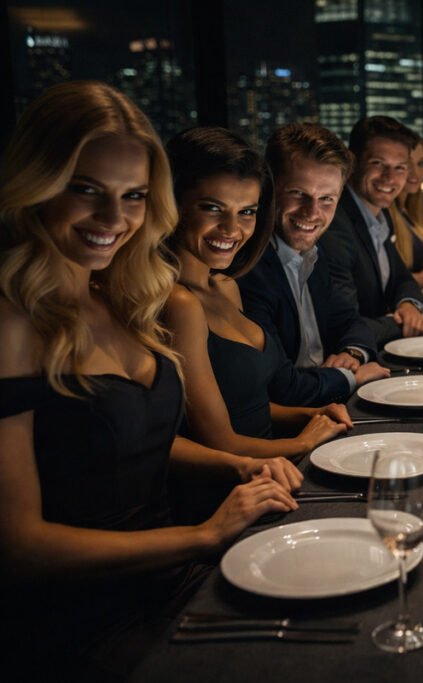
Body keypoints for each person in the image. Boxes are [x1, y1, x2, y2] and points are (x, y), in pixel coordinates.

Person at [0, 82, 298, 680]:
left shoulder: (121, 296)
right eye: (86, 190)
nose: (114, 219)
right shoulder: (10, 323)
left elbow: (133, 440)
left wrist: (235, 467)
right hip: (85, 624)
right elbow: (20, 548)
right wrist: (201, 535)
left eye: (133, 196)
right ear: (36, 185)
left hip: (173, 583)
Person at [163, 127, 353, 461]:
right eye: (212, 208)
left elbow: (249, 405)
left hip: (274, 466)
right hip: (239, 485)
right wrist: (303, 443)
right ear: (174, 205)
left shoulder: (226, 285)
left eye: (247, 212)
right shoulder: (178, 302)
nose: (232, 229)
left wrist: (310, 415)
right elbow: (219, 441)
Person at [237, 123, 388, 384]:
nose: (311, 212)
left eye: (327, 199)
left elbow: (352, 321)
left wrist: (352, 353)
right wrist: (348, 378)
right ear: (269, 187)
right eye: (298, 193)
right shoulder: (249, 267)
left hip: (325, 394)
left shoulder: (315, 253)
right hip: (295, 414)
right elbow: (278, 382)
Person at [323, 115, 423, 346]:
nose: (390, 178)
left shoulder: (381, 214)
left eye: (399, 168)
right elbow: (344, 324)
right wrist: (397, 322)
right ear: (352, 161)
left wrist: (408, 304)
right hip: (349, 357)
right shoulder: (336, 224)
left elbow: (402, 278)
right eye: (378, 164)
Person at [389, 136, 423, 288]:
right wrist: (418, 279)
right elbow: (383, 280)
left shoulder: (408, 210)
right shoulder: (384, 215)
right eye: (407, 164)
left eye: (421, 163)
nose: (416, 173)